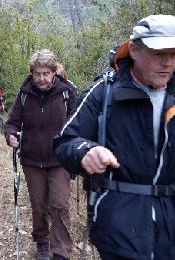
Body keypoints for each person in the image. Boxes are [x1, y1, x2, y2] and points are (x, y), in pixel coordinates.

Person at [54, 14, 175, 260]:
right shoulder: (104, 92)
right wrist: (85, 150)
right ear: (133, 50)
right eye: (159, 53)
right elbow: (65, 140)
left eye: (174, 54)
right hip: (119, 223)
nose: (168, 63)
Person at [4, 49, 77, 260]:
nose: (41, 78)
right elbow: (12, 123)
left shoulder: (66, 92)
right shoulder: (25, 93)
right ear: (32, 73)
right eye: (37, 74)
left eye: (45, 73)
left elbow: (79, 120)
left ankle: (61, 251)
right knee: (38, 204)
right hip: (32, 160)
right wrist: (10, 136)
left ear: (54, 72)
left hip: (59, 159)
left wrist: (76, 146)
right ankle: (42, 242)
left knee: (60, 205)